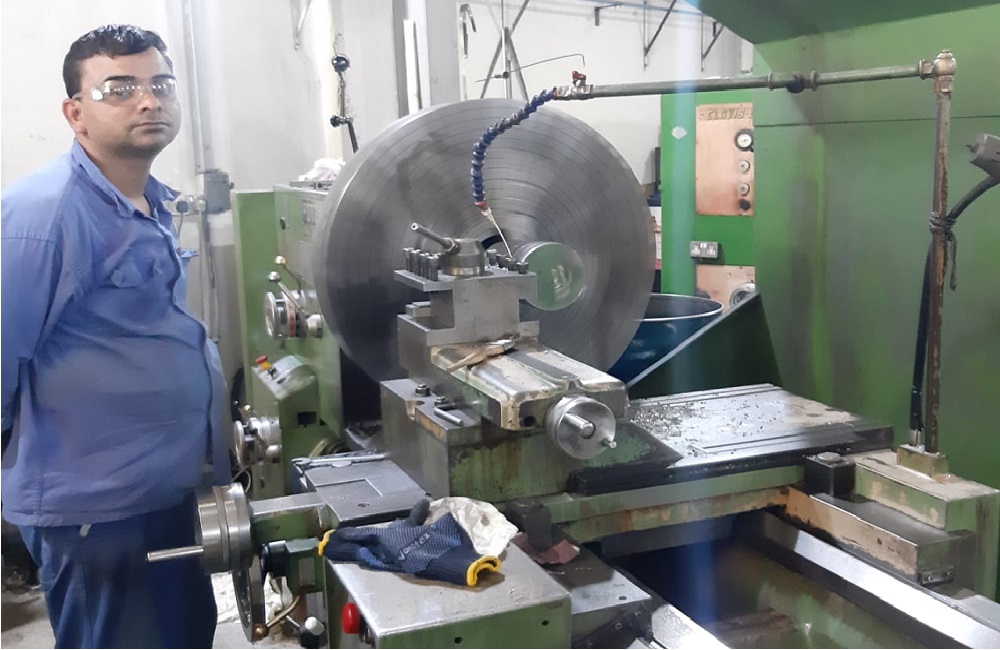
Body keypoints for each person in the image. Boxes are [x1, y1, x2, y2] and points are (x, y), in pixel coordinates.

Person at [1, 24, 230, 648]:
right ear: (75, 113)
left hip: (161, 490)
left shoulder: (149, 203)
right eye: (119, 88)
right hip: (98, 512)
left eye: (161, 84)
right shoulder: (41, 218)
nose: (148, 100)